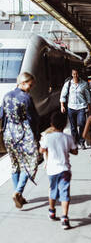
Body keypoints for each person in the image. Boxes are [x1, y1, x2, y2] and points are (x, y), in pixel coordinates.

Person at [0, 72, 40, 209]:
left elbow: (2, 115)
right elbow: (33, 119)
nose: (31, 87)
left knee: (15, 163)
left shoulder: (6, 96)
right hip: (22, 134)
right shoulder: (26, 98)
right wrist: (36, 136)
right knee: (31, 162)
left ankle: (18, 195)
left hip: (8, 134)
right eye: (30, 84)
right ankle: (18, 191)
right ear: (23, 83)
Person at [39, 111, 78, 229]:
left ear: (51, 124)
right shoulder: (68, 137)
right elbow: (75, 151)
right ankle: (65, 218)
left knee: (53, 191)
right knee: (65, 192)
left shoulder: (47, 137)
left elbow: (41, 150)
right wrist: (68, 150)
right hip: (65, 170)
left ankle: (52, 211)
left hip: (52, 170)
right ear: (65, 124)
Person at [60, 68, 91, 149]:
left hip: (81, 106)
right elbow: (63, 94)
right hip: (71, 107)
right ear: (72, 74)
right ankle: (75, 141)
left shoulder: (84, 84)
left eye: (77, 74)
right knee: (73, 126)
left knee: (81, 124)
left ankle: (82, 142)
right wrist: (62, 105)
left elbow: (87, 95)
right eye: (74, 74)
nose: (75, 76)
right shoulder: (68, 84)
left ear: (79, 74)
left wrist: (89, 105)